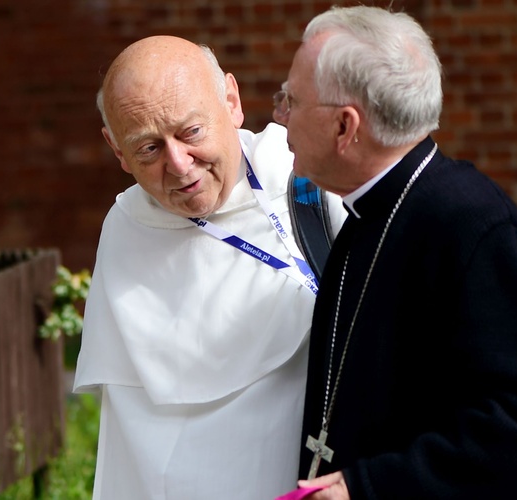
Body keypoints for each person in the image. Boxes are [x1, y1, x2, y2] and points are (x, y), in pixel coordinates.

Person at [272, 5, 517, 499]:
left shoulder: (473, 224)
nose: (280, 116)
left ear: (345, 128)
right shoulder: (368, 213)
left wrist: (371, 486)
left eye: (291, 100)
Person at [72, 35, 346, 499]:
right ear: (117, 150)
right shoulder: (124, 232)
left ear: (232, 102)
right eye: (147, 149)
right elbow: (130, 436)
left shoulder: (311, 181)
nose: (178, 165)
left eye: (190, 132)